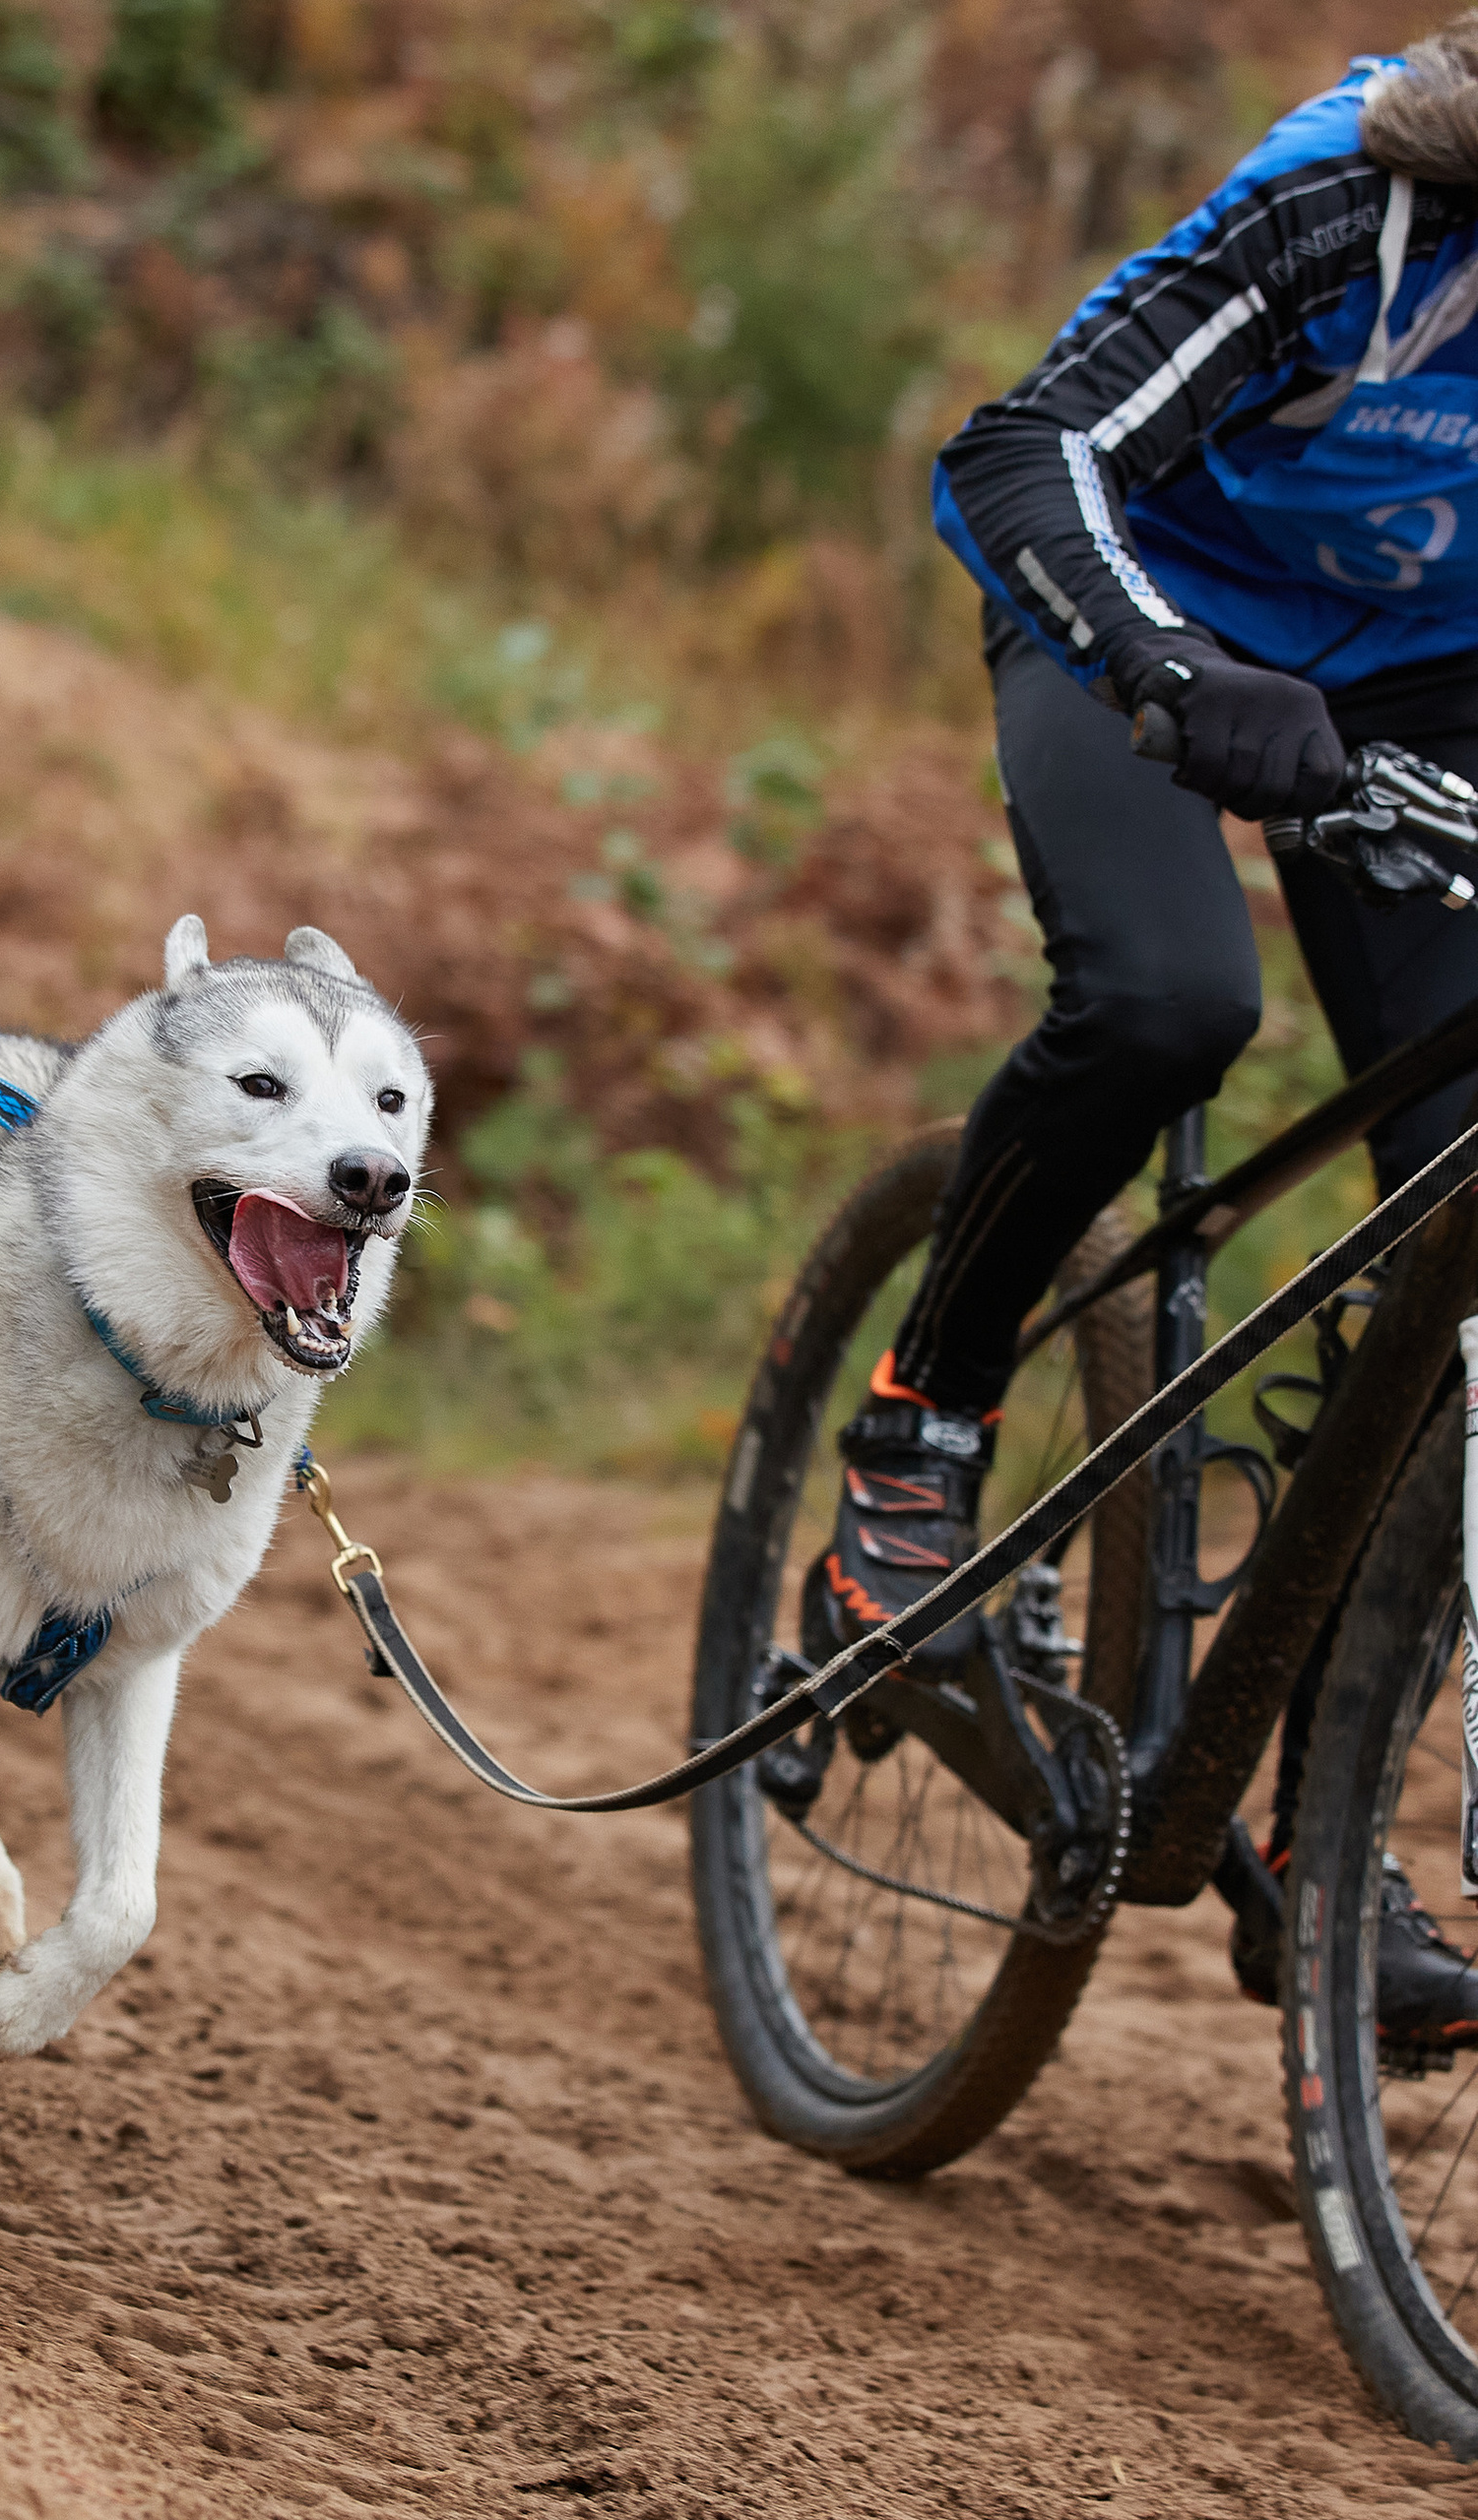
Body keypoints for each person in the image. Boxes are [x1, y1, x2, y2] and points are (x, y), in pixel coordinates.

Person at [808, 22, 1478, 2034]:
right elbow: (1020, 452)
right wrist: (1169, 663)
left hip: (1426, 682)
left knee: (1460, 1206)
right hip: (1134, 606)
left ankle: (1319, 1804)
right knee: (1169, 999)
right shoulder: (1343, 206)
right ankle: (914, 1425)